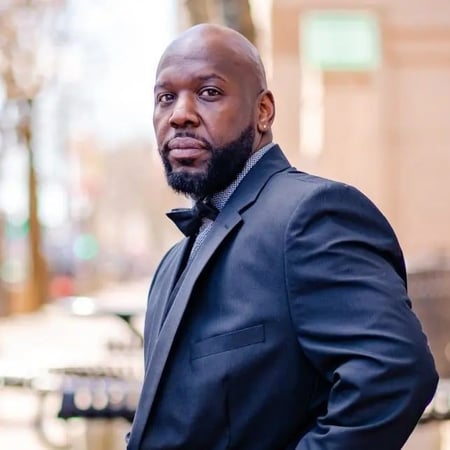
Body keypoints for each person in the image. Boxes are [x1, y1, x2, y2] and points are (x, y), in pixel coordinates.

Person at [127, 23, 438, 450]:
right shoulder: (171, 265)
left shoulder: (312, 216)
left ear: (263, 112)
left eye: (209, 92)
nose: (179, 114)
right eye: (165, 97)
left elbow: (394, 374)